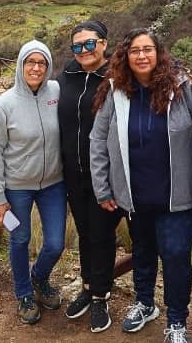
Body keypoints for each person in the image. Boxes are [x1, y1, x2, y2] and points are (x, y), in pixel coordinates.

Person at [89, 28, 192, 343]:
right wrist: (103, 187)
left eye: (147, 49)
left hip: (177, 195)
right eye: (134, 50)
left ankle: (177, 322)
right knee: (143, 251)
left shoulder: (185, 87)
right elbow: (97, 139)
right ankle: (145, 302)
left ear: (159, 52)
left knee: (176, 255)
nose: (141, 56)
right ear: (125, 56)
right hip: (134, 195)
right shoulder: (115, 91)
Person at [0, 40, 66, 325]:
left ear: (48, 66)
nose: (36, 67)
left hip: (54, 184)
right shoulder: (4, 104)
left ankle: (39, 278)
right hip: (16, 188)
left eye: (41, 62)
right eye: (30, 62)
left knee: (56, 243)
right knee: (19, 239)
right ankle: (24, 294)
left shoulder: (56, 91)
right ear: (20, 65)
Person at [57, 20, 122, 333]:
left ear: (104, 43)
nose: (83, 50)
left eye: (89, 44)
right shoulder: (67, 75)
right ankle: (87, 286)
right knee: (85, 233)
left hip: (105, 176)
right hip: (73, 174)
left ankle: (101, 295)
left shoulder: (117, 78)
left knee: (102, 234)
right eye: (77, 46)